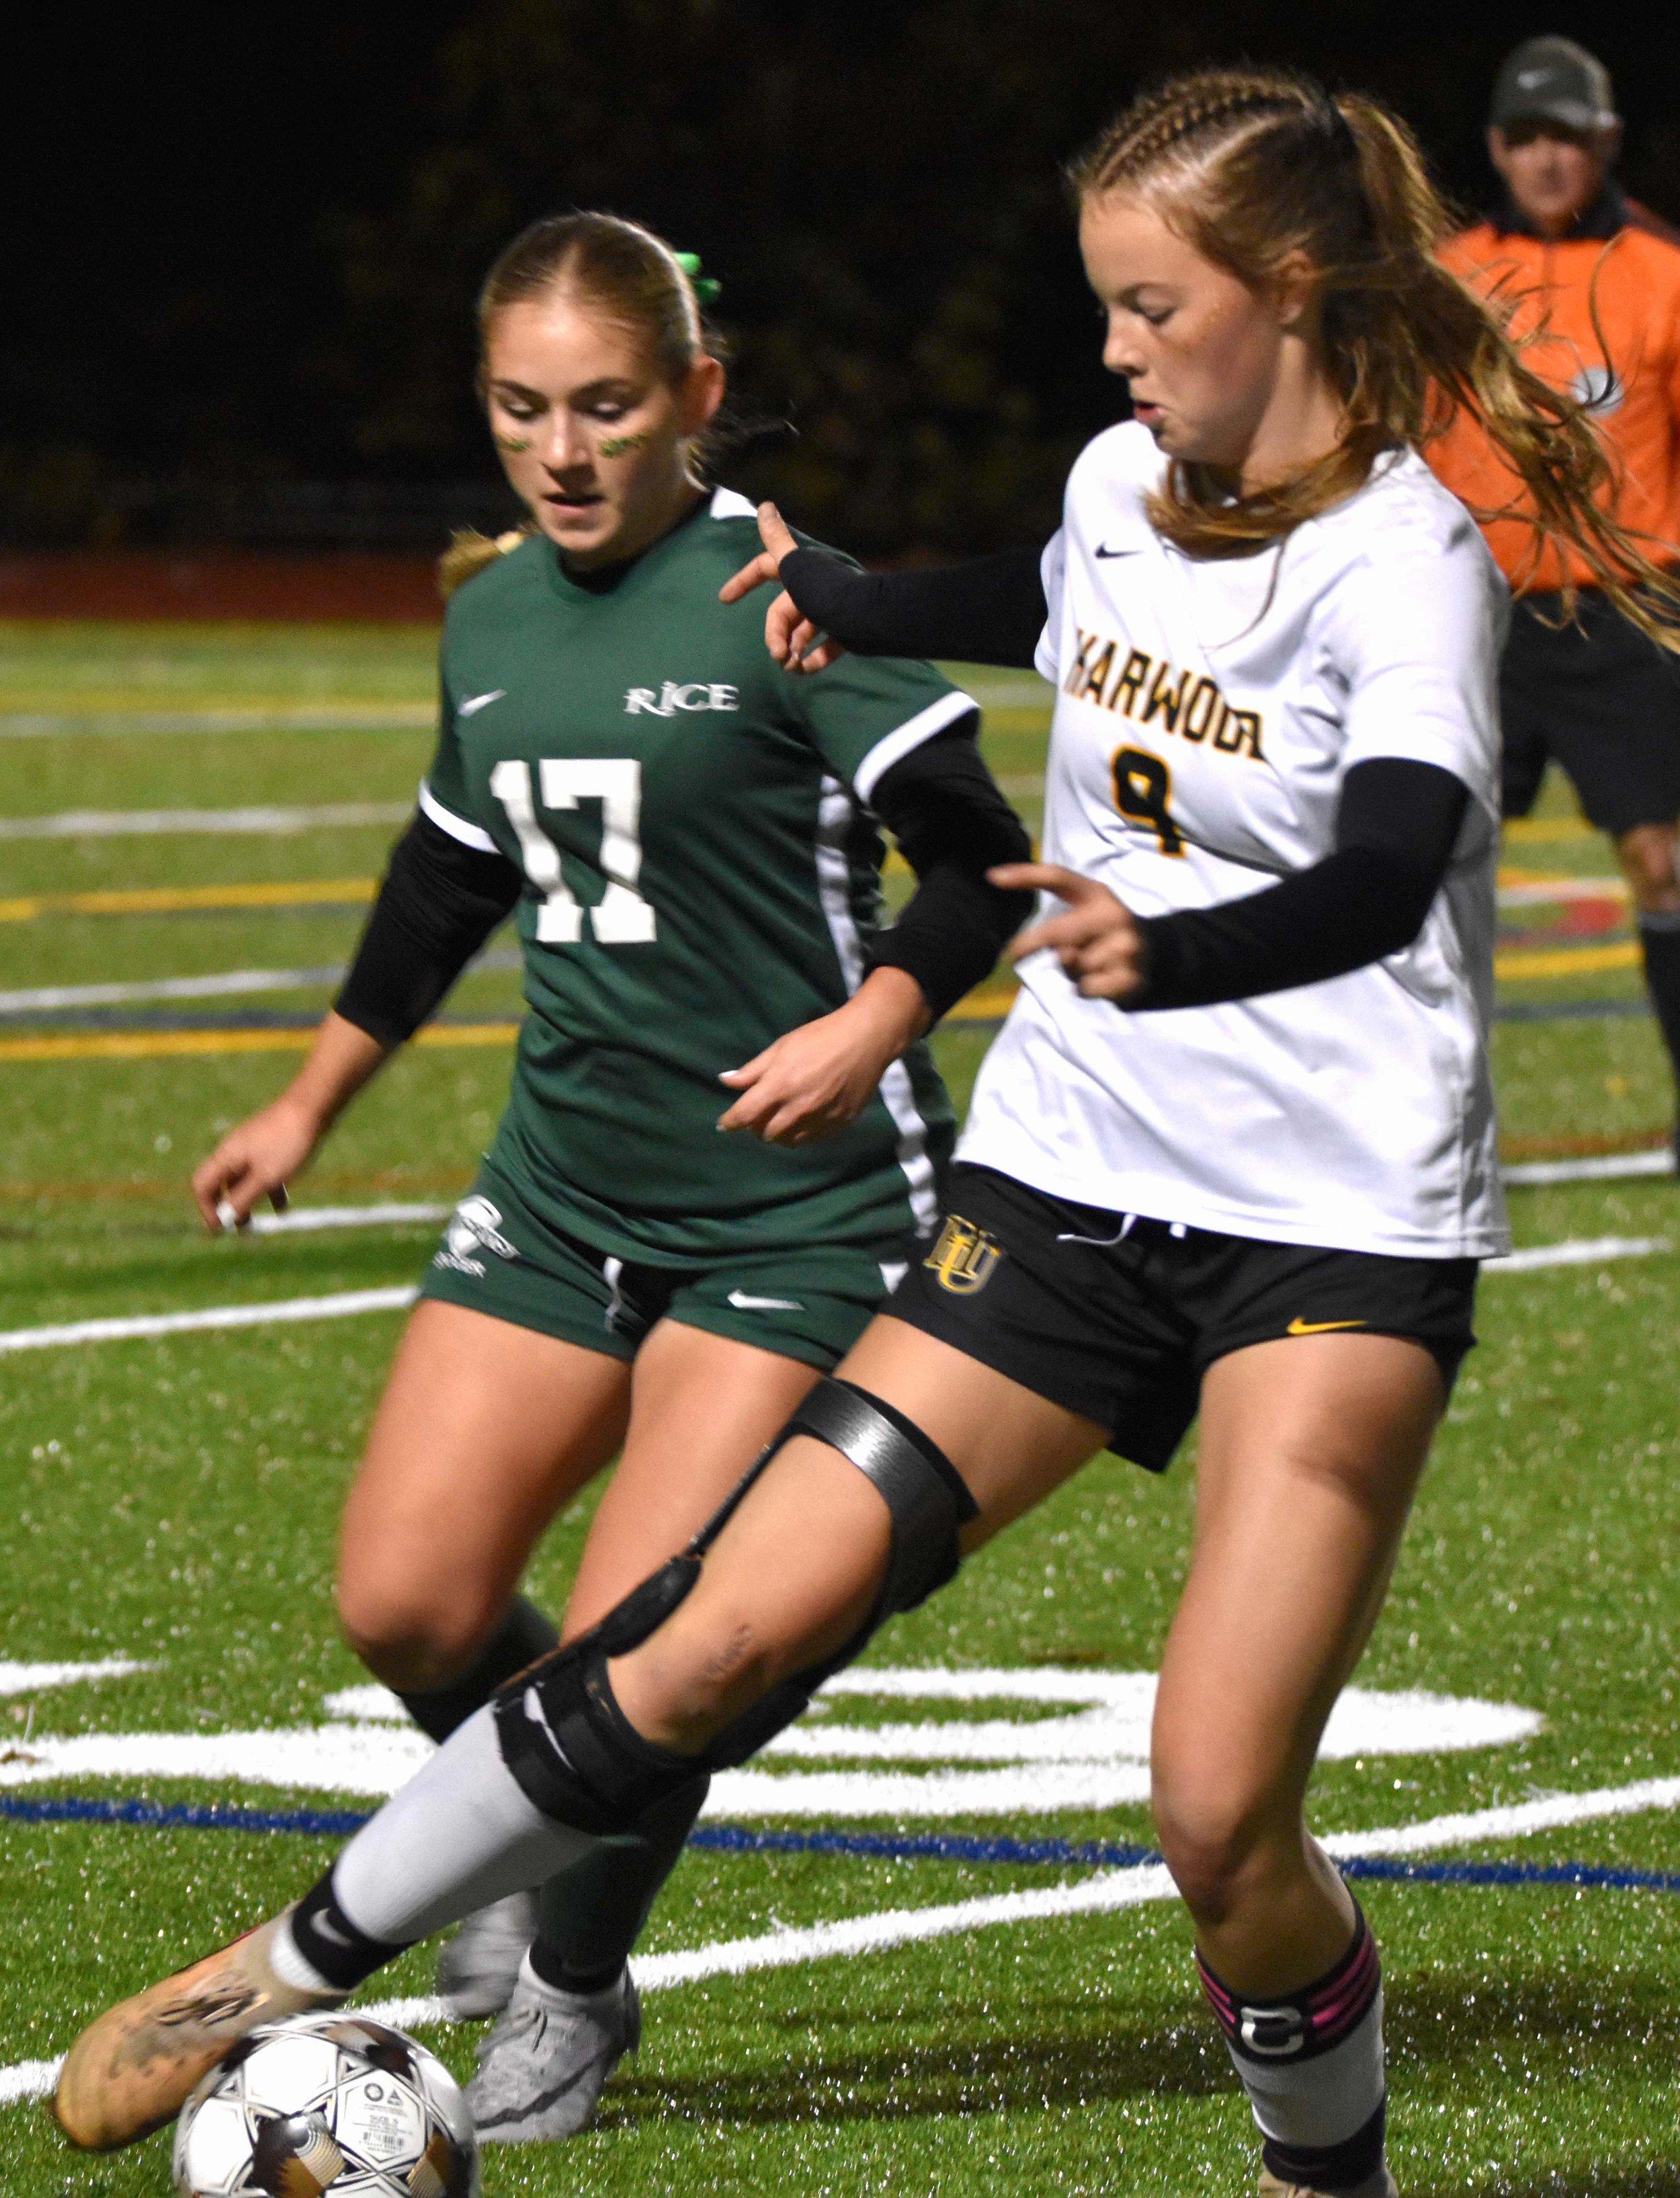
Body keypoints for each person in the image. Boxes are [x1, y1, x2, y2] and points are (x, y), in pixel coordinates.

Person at [57, 71, 1680, 2195]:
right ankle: (281, 1964)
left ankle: (1325, 2172)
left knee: (1217, 1815)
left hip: (1332, 1236)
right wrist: (841, 588)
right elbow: (1047, 589)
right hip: (1063, 1190)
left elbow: (1388, 865)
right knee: (702, 1633)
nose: (1110, 346)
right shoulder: (1121, 480)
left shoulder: (1406, 560)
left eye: (1148, 305)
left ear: (1285, 292)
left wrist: (1166, 950)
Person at [177, 210, 1032, 2143]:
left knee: (642, 1644)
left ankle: (567, 1980)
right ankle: (520, 1816)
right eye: (520, 410)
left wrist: (874, 1019)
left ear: (696, 394)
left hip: (791, 1213)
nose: (560, 452)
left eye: (607, 407)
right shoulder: (487, 613)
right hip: (563, 1190)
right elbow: (451, 873)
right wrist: (311, 1101)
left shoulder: (783, 595)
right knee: (407, 1601)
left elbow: (978, 854)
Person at [1427, 37, 1680, 1149]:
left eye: (1566, 137)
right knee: (1426, 863)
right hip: (1476, 617)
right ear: (1495, 148)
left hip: (1626, 609)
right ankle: (1417, 1120)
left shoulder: (1663, 269)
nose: (1546, 158)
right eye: (1525, 138)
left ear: (1606, 142)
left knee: (1665, 861)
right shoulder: (1447, 279)